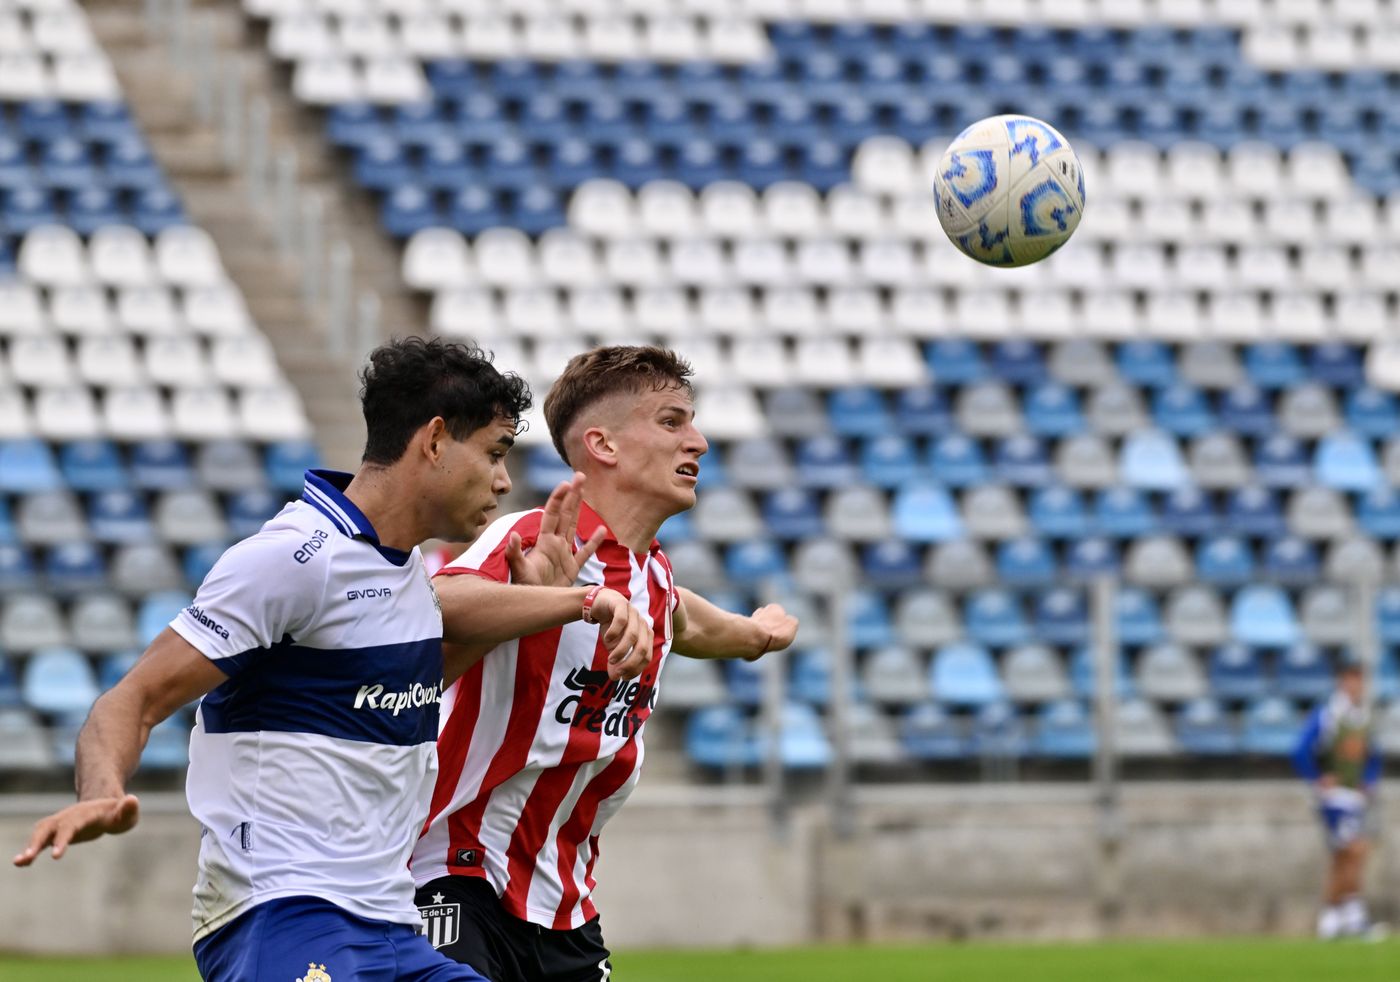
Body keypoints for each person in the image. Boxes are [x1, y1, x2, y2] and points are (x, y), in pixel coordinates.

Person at [13, 337, 654, 981]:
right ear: (434, 442)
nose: (503, 481)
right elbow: (131, 700)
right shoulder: (293, 560)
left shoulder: (404, 578)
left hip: (392, 926)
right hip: (283, 910)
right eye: (493, 453)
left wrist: (551, 601)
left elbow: (420, 681)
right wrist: (100, 794)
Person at [411, 344, 799, 982]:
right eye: (672, 422)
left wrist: (757, 635)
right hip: (457, 874)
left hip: (564, 902)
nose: (698, 441)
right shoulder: (540, 538)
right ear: (604, 445)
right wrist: (571, 598)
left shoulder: (655, 578)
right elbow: (436, 601)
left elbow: (689, 620)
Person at [1292, 657, 1383, 940]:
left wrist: (1368, 782)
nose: (1356, 685)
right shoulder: (1329, 713)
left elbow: (1373, 755)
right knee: (1356, 850)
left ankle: (1335, 920)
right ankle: (1347, 917)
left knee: (1344, 857)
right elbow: (1300, 749)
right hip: (1334, 797)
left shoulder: (1363, 716)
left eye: (1360, 679)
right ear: (1341, 681)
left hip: (1355, 797)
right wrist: (1317, 778)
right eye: (1351, 678)